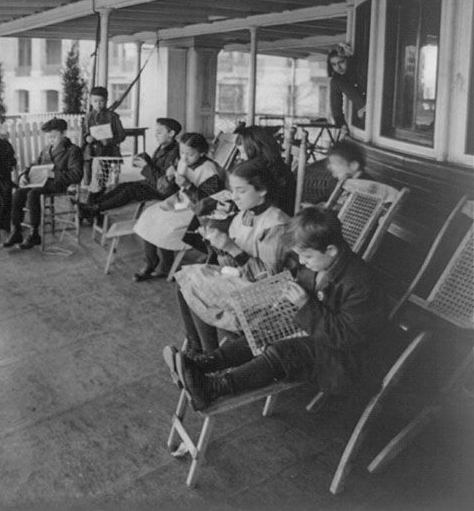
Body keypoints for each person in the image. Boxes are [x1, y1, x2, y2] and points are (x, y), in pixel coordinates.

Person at [166, 207, 385, 411]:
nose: (301, 262)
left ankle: (213, 388)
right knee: (265, 328)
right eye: (299, 255)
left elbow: (346, 337)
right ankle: (203, 364)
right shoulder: (319, 264)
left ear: (331, 250)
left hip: (346, 359)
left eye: (307, 256)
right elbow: (304, 284)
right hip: (318, 331)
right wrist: (284, 301)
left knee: (284, 350)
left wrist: (305, 306)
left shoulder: (361, 283)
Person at [173, 159, 292, 356]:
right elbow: (231, 263)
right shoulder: (243, 215)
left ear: (262, 190)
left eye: (241, 191)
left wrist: (231, 247)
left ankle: (210, 356)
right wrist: (220, 249)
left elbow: (269, 277)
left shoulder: (276, 225)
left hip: (269, 294)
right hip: (243, 279)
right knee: (184, 280)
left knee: (195, 286)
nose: (234, 197)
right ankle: (197, 346)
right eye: (232, 189)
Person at [132, 133, 225, 281]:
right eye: (182, 152)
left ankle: (165, 264)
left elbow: (208, 201)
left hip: (196, 210)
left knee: (165, 223)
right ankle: (151, 261)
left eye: (190, 154)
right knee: (149, 215)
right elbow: (165, 190)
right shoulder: (181, 161)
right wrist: (168, 178)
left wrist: (188, 185)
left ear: (202, 152)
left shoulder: (209, 169)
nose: (185, 157)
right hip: (180, 201)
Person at [3, 118, 84, 249]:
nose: (51, 140)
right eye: (49, 137)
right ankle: (16, 231)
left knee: (33, 194)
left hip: (59, 184)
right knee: (18, 193)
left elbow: (77, 175)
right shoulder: (47, 149)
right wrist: (24, 175)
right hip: (42, 183)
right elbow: (33, 165)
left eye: (54, 136)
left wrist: (54, 175)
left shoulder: (73, 150)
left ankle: (34, 233)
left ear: (64, 133)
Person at [79, 117, 181, 222]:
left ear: (171, 133)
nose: (155, 135)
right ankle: (91, 206)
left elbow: (163, 183)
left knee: (130, 190)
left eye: (159, 132)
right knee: (124, 185)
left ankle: (92, 209)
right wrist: (146, 159)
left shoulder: (174, 153)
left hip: (163, 191)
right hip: (153, 185)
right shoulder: (163, 147)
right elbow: (158, 170)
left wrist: (146, 166)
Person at [236, 125, 296, 215]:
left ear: (255, 149)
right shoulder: (271, 163)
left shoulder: (267, 171)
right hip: (266, 213)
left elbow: (264, 205)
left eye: (243, 152)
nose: (241, 157)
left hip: (275, 218)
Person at [301, 139, 368, 207]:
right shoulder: (336, 181)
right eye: (330, 163)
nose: (329, 166)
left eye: (335, 163)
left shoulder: (366, 188)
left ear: (353, 165)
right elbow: (326, 199)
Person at [81, 86, 126, 188]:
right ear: (91, 101)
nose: (98, 104)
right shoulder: (88, 117)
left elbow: (121, 135)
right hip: (91, 151)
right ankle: (89, 190)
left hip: (108, 150)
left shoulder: (113, 116)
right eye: (95, 101)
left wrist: (108, 141)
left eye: (101, 101)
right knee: (88, 172)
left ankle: (104, 191)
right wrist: (87, 138)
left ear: (106, 101)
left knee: (106, 177)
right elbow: (84, 133)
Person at [328, 43, 366, 129]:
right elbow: (335, 105)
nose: (338, 67)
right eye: (334, 64)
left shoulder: (360, 70)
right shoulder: (337, 81)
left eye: (341, 62)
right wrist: (342, 125)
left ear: (348, 60)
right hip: (363, 117)